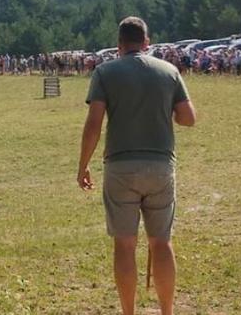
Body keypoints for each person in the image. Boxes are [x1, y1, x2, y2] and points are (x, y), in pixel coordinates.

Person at [77, 17, 197, 315]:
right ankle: (167, 311)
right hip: (160, 166)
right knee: (161, 243)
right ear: (147, 42)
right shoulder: (169, 71)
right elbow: (188, 118)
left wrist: (83, 165)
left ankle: (128, 312)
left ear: (119, 45)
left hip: (120, 166)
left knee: (125, 245)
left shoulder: (105, 72)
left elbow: (94, 124)